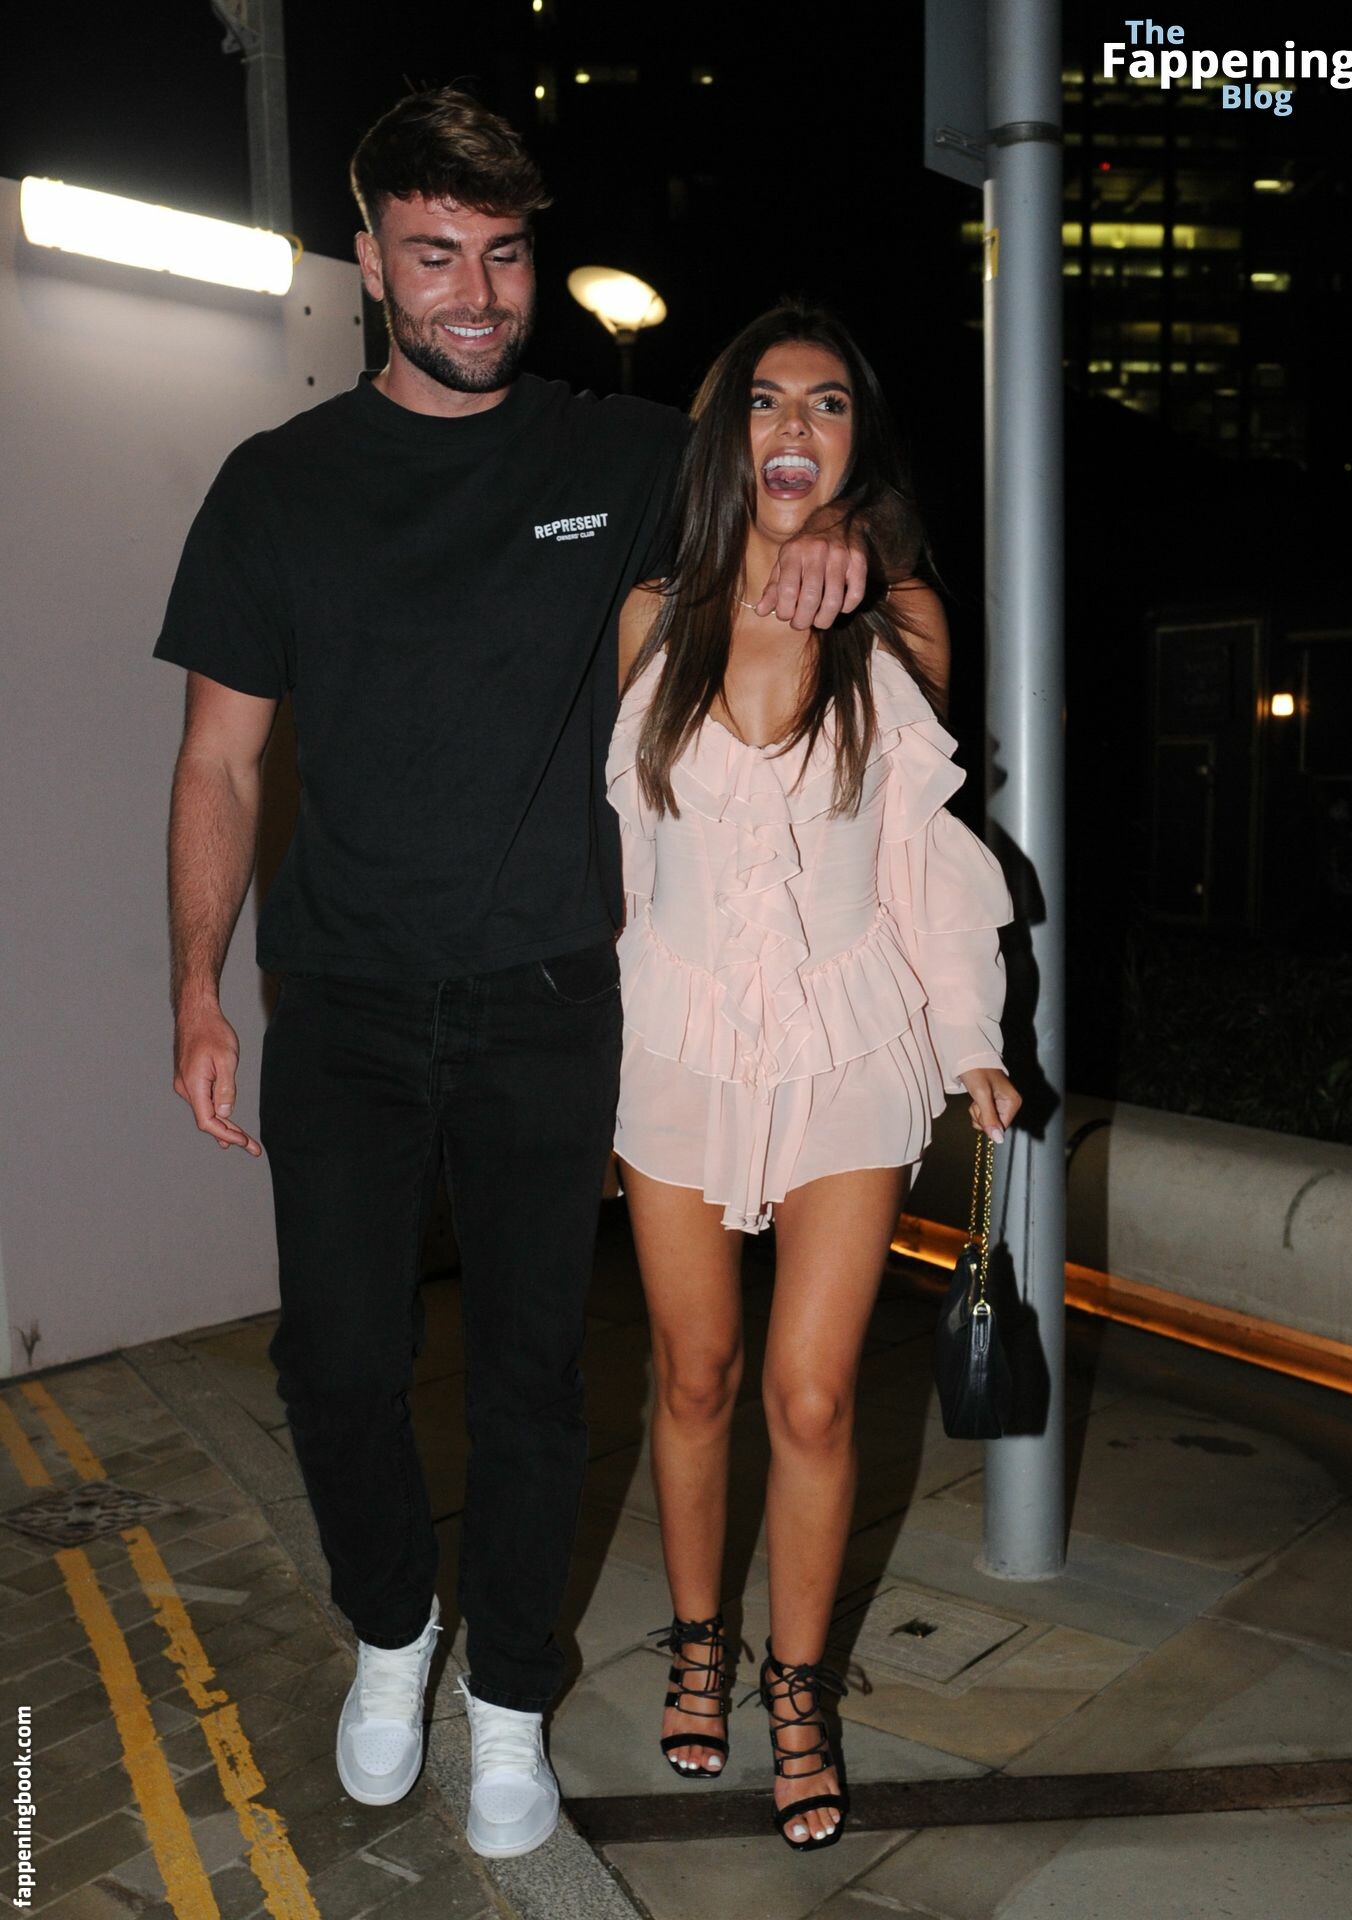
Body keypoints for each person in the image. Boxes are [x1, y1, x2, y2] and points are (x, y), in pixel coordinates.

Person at [153, 91, 868, 1858]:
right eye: (433, 255)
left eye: (501, 254)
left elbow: (777, 493)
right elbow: (219, 761)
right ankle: (394, 1632)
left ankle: (509, 1703)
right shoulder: (276, 487)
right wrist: (194, 989)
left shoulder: (612, 456)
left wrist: (814, 540)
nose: (474, 292)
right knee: (336, 1360)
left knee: (537, 1377)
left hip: (552, 994)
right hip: (344, 998)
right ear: (368, 262)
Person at [608, 304, 1021, 1852]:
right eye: (765, 400)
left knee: (813, 1389)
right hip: (677, 1043)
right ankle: (695, 1644)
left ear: (856, 443)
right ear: (724, 434)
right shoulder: (652, 617)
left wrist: (971, 1039)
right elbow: (626, 861)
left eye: (828, 403)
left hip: (850, 1044)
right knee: (694, 1375)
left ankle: (796, 1691)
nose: (794, 424)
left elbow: (923, 862)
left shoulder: (897, 622)